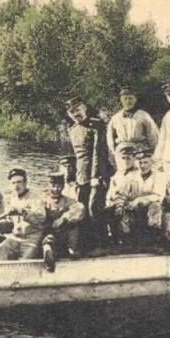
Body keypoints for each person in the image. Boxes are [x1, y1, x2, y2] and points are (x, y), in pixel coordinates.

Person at [66, 96, 111, 248]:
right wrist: (70, 176)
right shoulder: (72, 130)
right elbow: (76, 156)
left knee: (94, 208)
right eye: (72, 112)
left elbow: (99, 152)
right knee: (82, 209)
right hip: (81, 176)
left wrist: (96, 177)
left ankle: (102, 245)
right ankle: (86, 245)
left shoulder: (96, 125)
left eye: (78, 109)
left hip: (97, 175)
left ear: (84, 108)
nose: (76, 114)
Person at [0, 168, 48, 262]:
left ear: (25, 183)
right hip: (15, 238)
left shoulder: (35, 198)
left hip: (31, 239)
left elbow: (40, 220)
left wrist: (23, 212)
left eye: (19, 182)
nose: (16, 186)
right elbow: (9, 221)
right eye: (13, 183)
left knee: (25, 261)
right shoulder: (12, 198)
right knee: (0, 251)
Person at [119, 149, 166, 252]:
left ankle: (154, 242)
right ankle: (128, 242)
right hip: (135, 209)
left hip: (150, 208)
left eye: (145, 162)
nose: (142, 166)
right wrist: (124, 203)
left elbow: (158, 196)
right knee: (122, 209)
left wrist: (140, 199)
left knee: (155, 206)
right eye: (140, 162)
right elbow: (123, 193)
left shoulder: (159, 176)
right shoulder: (131, 176)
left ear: (151, 163)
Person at [42, 171, 87, 271]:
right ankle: (48, 250)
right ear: (48, 186)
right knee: (48, 238)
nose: (56, 189)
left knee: (73, 226)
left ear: (63, 186)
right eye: (53, 186)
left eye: (59, 186)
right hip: (49, 231)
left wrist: (64, 218)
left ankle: (72, 249)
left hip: (64, 234)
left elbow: (80, 208)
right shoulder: (42, 200)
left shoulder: (68, 200)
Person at [106, 87, 159, 172]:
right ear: (121, 100)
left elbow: (154, 137)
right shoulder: (115, 118)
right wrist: (115, 153)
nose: (128, 101)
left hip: (140, 153)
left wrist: (153, 155)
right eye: (125, 99)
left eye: (130, 98)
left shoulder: (143, 116)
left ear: (135, 99)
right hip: (122, 154)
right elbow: (110, 140)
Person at [105, 144, 140, 245]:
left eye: (128, 158)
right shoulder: (117, 175)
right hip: (118, 207)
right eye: (123, 158)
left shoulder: (138, 174)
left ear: (134, 158)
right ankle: (116, 239)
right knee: (108, 210)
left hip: (132, 207)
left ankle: (130, 239)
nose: (125, 161)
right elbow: (110, 195)